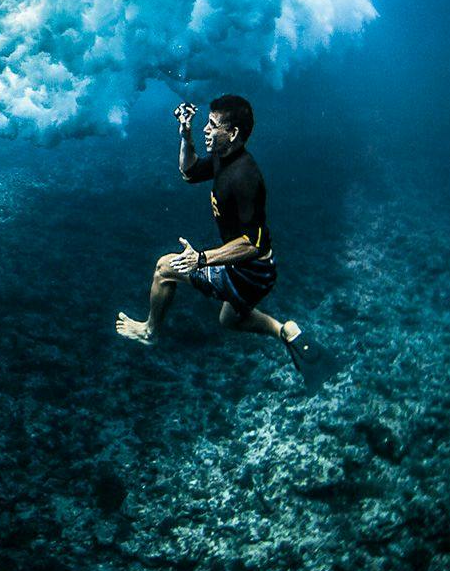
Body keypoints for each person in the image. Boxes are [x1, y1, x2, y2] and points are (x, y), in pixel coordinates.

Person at [115, 95, 328, 385]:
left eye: (213, 125)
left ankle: (149, 332)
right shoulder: (222, 158)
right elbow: (188, 173)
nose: (206, 129)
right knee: (228, 319)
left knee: (165, 268)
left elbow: (253, 243)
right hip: (257, 273)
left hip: (249, 274)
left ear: (233, 133)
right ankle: (284, 330)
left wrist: (202, 258)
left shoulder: (245, 177)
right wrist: (185, 134)